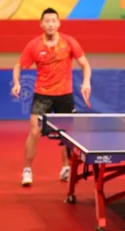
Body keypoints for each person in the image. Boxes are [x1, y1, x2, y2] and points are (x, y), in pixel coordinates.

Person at [11, 7, 92, 187]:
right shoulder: (34, 45)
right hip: (42, 95)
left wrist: (86, 82)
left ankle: (65, 168)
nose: (50, 24)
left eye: (53, 21)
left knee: (67, 136)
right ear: (41, 24)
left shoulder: (69, 42)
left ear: (58, 23)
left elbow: (85, 65)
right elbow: (18, 66)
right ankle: (27, 170)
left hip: (65, 96)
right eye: (47, 21)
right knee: (34, 132)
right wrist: (16, 83)